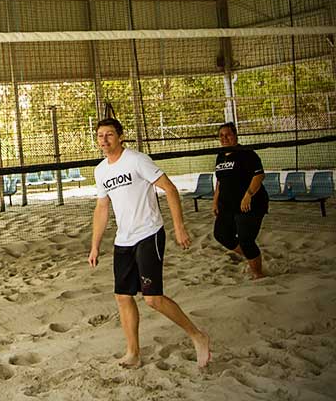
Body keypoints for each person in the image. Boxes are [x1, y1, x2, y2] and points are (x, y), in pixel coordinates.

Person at [88, 118, 210, 369]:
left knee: (152, 299)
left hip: (149, 233)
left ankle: (197, 335)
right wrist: (95, 245)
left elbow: (170, 188)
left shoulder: (136, 160)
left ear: (120, 136)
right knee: (122, 296)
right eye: (100, 136)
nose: (104, 140)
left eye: (109, 135)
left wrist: (179, 227)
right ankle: (133, 353)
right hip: (124, 239)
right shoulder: (101, 170)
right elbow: (102, 208)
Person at [212, 122, 268, 279]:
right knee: (221, 234)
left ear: (235, 135)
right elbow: (220, 181)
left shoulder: (247, 153)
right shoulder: (220, 156)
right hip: (227, 205)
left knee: (246, 239)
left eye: (228, 134)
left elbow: (259, 175)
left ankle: (258, 274)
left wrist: (248, 196)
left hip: (250, 204)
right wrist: (215, 201)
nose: (224, 138)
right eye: (221, 135)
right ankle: (252, 257)